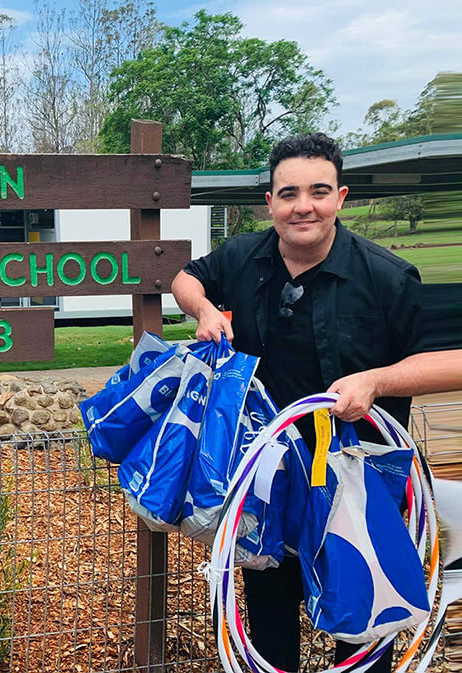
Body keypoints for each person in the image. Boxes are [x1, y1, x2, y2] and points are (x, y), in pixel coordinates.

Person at [172, 133, 427, 672]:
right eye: (288, 193)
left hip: (357, 475)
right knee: (267, 607)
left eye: (318, 191)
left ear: (341, 197)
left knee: (361, 610)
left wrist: (376, 381)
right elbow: (186, 278)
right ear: (270, 202)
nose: (303, 206)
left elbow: (451, 360)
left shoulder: (387, 277)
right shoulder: (244, 255)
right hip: (265, 475)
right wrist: (204, 311)